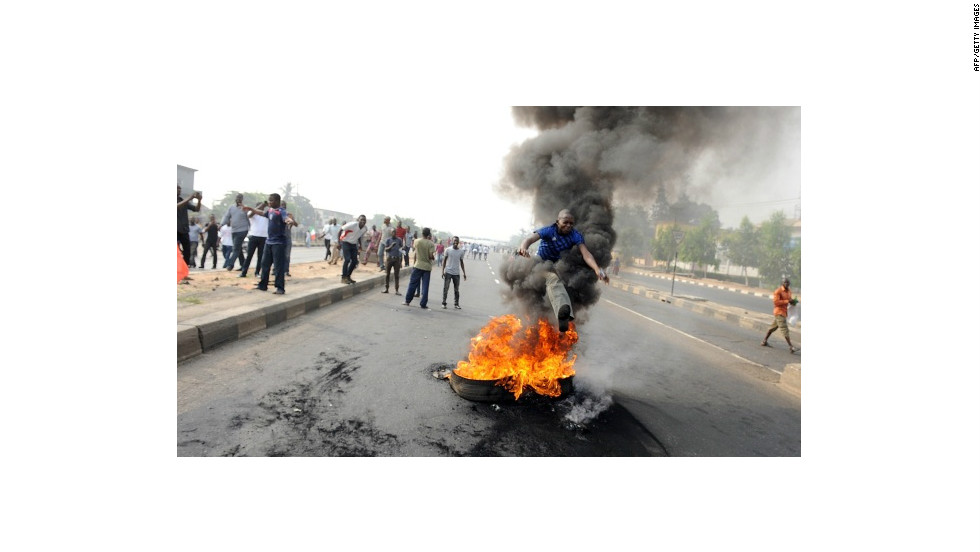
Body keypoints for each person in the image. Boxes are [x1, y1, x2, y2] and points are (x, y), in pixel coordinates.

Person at [517, 209, 609, 333]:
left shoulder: (575, 235)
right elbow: (529, 240)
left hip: (558, 266)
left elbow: (586, 254)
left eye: (571, 223)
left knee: (572, 283)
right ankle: (563, 312)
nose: (568, 226)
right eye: (565, 222)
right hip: (540, 264)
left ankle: (563, 316)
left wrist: (597, 270)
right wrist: (523, 248)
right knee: (553, 279)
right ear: (557, 222)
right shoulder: (548, 230)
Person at [243, 194, 296, 295]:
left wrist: (290, 221)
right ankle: (263, 285)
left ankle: (280, 288)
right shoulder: (270, 211)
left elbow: (286, 218)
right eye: (269, 201)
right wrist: (251, 209)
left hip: (279, 243)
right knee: (265, 264)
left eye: (271, 201)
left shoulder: (281, 211)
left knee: (278, 266)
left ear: (277, 201)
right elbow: (262, 213)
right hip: (269, 242)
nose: (270, 203)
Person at [761, 277, 798, 354]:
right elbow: (776, 302)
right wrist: (787, 301)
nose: (787, 284)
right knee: (785, 329)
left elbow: (789, 300)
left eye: (788, 283)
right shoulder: (778, 291)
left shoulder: (789, 291)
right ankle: (791, 347)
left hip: (784, 312)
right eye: (785, 282)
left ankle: (764, 341)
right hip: (779, 312)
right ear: (782, 283)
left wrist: (793, 302)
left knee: (773, 327)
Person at [403, 227, 435, 309]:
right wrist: (432, 258)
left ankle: (407, 301)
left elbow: (415, 251)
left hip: (418, 265)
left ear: (422, 233)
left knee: (413, 284)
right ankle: (423, 304)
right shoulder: (431, 244)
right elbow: (431, 256)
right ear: (428, 234)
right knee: (425, 286)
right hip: (427, 267)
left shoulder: (417, 241)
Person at [239, 201, 269, 278]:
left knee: (260, 256)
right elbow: (250, 214)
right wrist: (260, 206)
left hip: (263, 237)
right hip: (253, 236)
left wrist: (262, 207)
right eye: (259, 206)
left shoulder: (265, 214)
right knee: (249, 255)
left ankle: (257, 272)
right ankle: (243, 272)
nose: (261, 207)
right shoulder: (252, 213)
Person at [221, 193, 250, 271]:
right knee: (238, 248)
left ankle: (230, 265)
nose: (238, 199)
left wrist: (250, 230)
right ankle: (243, 265)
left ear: (242, 199)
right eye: (237, 197)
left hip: (243, 230)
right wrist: (221, 224)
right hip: (234, 230)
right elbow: (227, 216)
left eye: (240, 198)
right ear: (235, 199)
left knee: (235, 248)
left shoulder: (245, 208)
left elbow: (249, 219)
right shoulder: (231, 208)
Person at [177, 184, 202, 268]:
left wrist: (199, 200)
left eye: (180, 188)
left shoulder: (182, 200)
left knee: (187, 251)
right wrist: (189, 198)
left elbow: (196, 209)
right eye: (177, 188)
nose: (179, 190)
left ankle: (184, 270)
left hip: (183, 229)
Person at [340, 215, 369, 284]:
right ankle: (343, 278)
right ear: (358, 220)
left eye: (364, 220)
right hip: (345, 242)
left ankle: (348, 276)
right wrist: (339, 243)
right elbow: (340, 230)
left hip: (353, 244)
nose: (363, 221)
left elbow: (358, 235)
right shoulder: (352, 225)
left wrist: (360, 245)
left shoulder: (365, 228)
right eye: (361, 219)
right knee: (347, 259)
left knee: (355, 261)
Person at [441, 236, 467, 309]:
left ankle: (456, 304)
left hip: (456, 273)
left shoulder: (461, 251)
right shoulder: (448, 250)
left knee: (456, 290)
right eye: (454, 240)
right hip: (448, 272)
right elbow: (444, 261)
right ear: (452, 241)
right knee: (446, 288)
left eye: (457, 241)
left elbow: (462, 262)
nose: (456, 242)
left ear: (458, 242)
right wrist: (442, 271)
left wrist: (464, 273)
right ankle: (444, 303)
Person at [380, 228, 403, 295]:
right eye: (393, 232)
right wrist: (391, 246)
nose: (394, 233)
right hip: (389, 259)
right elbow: (386, 249)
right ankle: (386, 288)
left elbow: (401, 249)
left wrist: (401, 260)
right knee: (387, 274)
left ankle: (397, 290)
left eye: (395, 232)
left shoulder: (399, 240)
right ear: (391, 233)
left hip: (397, 259)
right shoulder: (388, 240)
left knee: (397, 275)